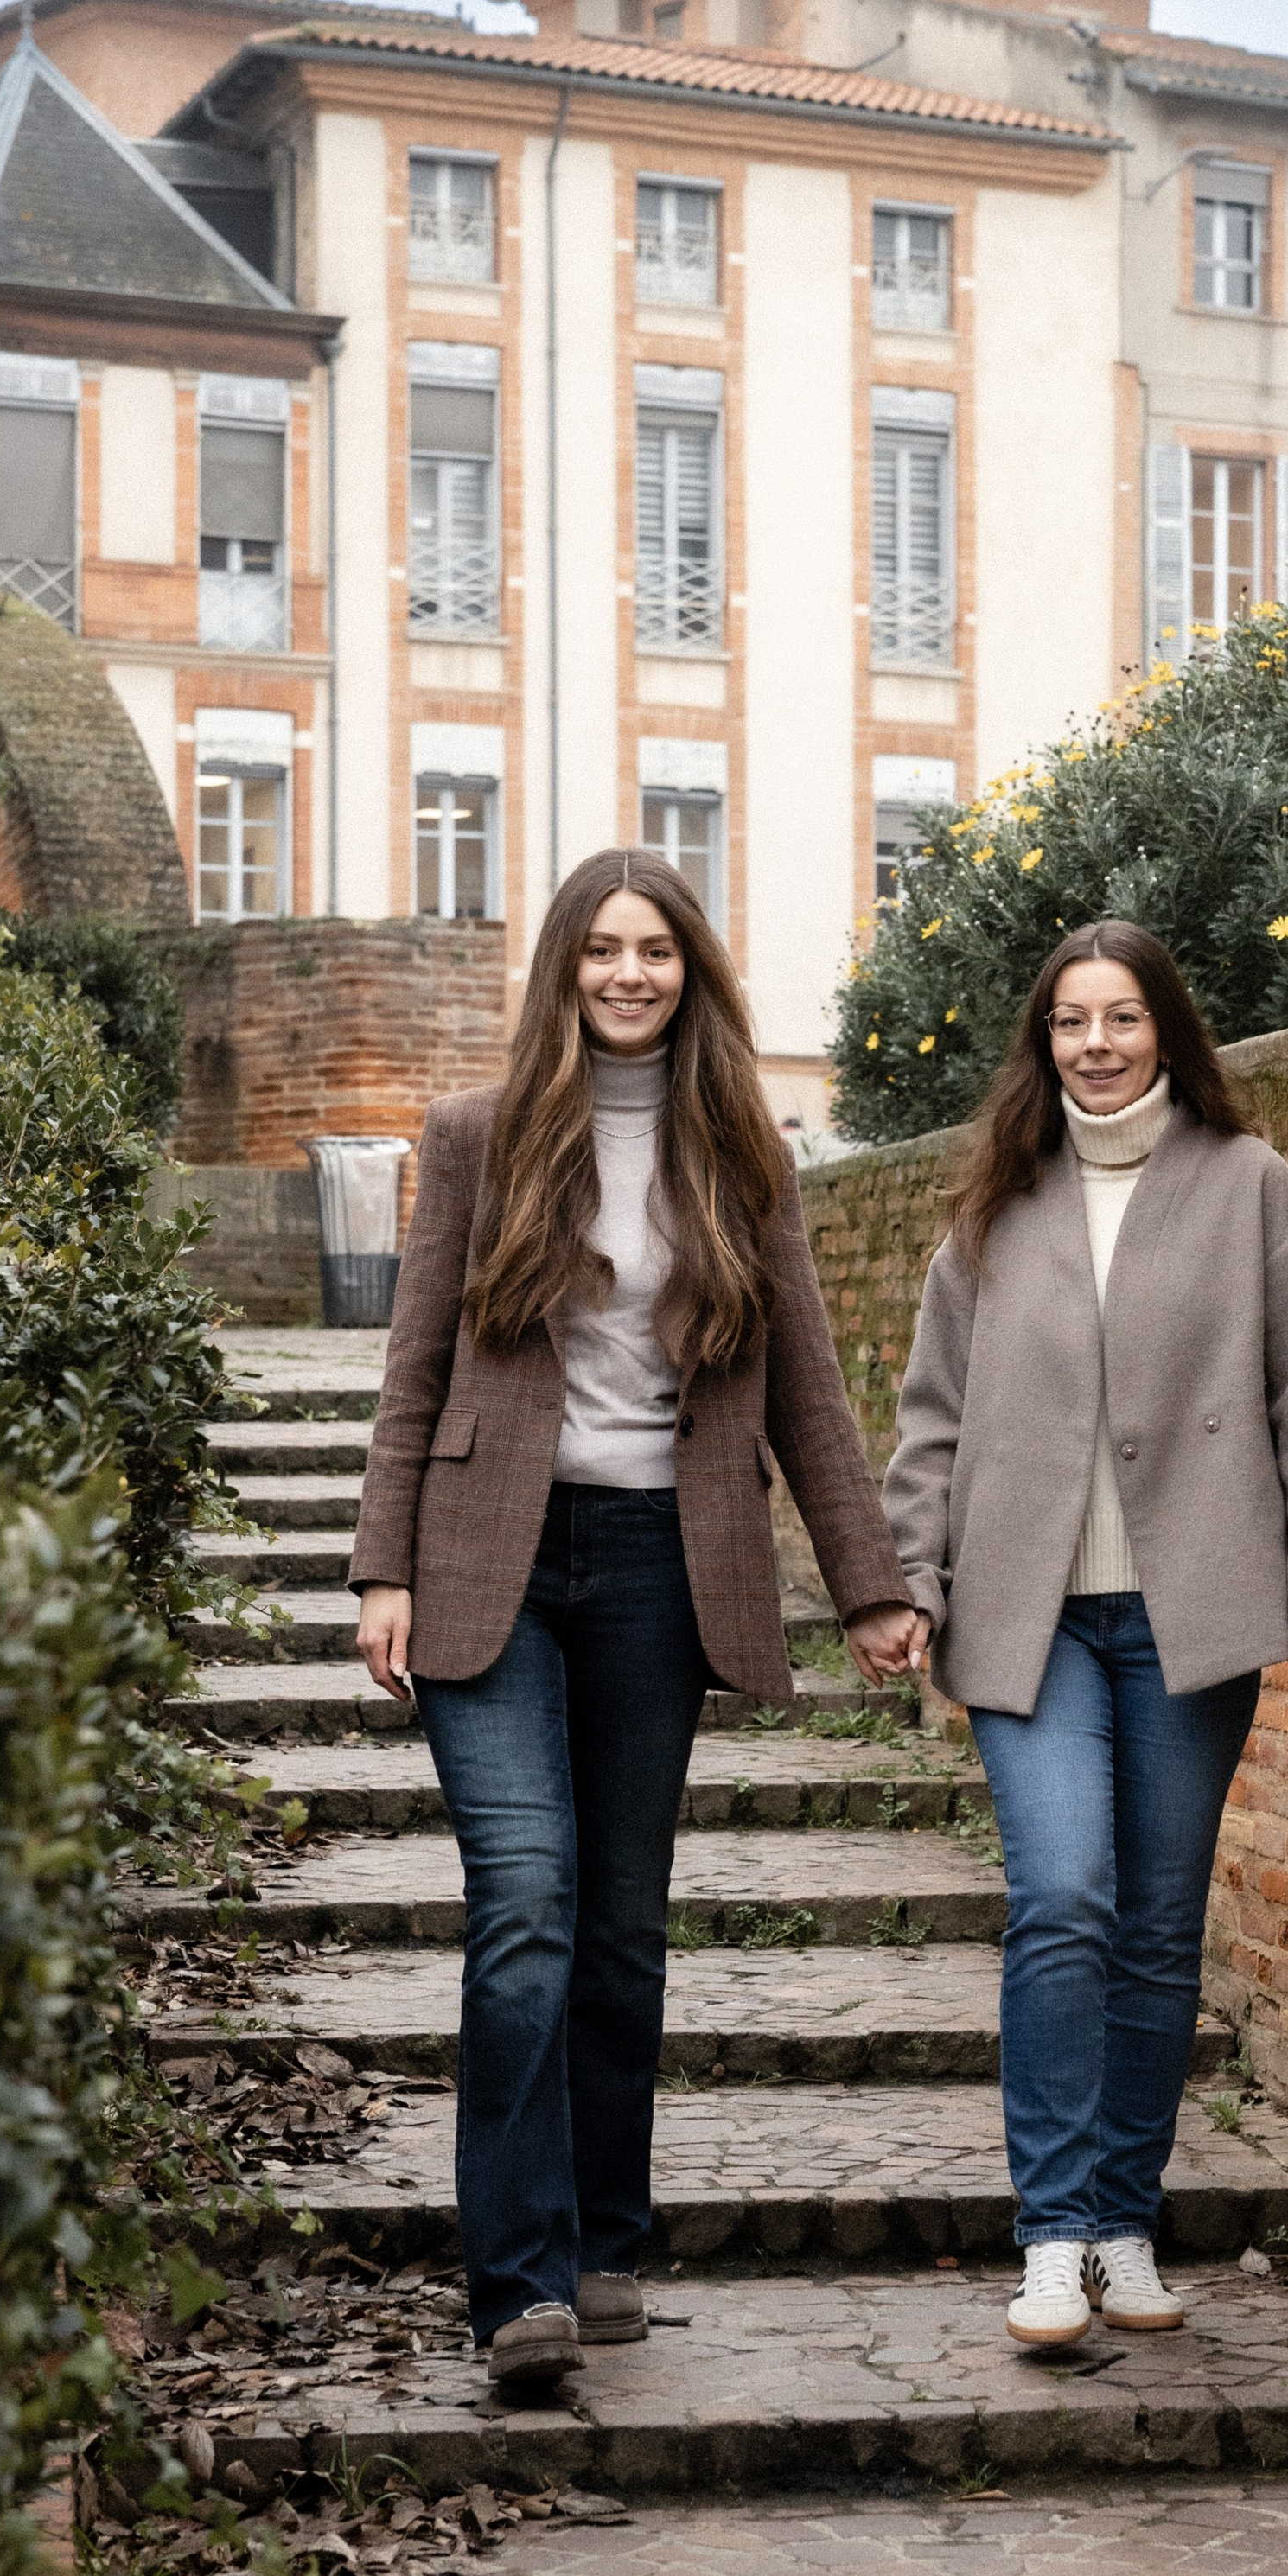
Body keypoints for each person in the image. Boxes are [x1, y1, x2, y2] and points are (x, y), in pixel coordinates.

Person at [348, 848, 921, 2399]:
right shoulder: (478, 1137)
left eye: (654, 950)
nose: (626, 973)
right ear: (563, 968)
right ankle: (517, 2283)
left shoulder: (741, 1151)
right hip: (492, 1560)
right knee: (526, 1901)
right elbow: (416, 1366)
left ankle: (607, 2238)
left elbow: (803, 1376)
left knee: (621, 1927)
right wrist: (379, 1563)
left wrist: (870, 1583)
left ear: (690, 972)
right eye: (600, 948)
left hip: (663, 1561)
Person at [883, 919, 1288, 2350]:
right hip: (1027, 1620)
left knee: (1158, 1932)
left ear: (1168, 1033)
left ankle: (1121, 2222)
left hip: (1193, 1611)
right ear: (1044, 1044)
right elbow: (930, 1425)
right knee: (1064, 1900)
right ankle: (1047, 2236)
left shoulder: (1249, 1187)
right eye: (1071, 1023)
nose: (1097, 1045)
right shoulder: (995, 1206)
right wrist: (914, 1578)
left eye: (1123, 1019)